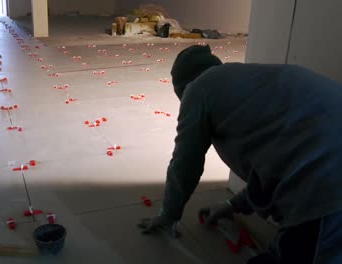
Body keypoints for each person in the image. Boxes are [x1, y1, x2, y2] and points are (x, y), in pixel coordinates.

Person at [137, 45, 342, 264]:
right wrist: (232, 205)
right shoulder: (250, 84)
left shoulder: (198, 89)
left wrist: (168, 214)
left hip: (327, 186)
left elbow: (186, 162)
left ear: (183, 88)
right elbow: (272, 168)